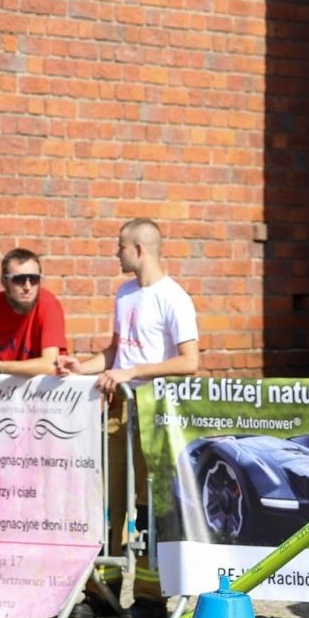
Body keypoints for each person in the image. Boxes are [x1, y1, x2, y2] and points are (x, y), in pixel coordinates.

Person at [56, 218, 201, 565]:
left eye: (120, 246)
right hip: (120, 404)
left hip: (154, 406)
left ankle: (151, 593)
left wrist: (131, 372)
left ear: (139, 249)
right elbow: (116, 351)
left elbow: (189, 360)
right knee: (111, 492)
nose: (116, 253)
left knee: (148, 495)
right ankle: (106, 581)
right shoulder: (124, 293)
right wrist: (83, 366)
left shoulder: (174, 297)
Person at [0, 248, 67, 377]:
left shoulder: (48, 304)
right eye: (19, 280)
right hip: (5, 391)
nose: (27, 286)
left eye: (34, 279)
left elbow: (49, 365)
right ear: (4, 282)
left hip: (44, 392)